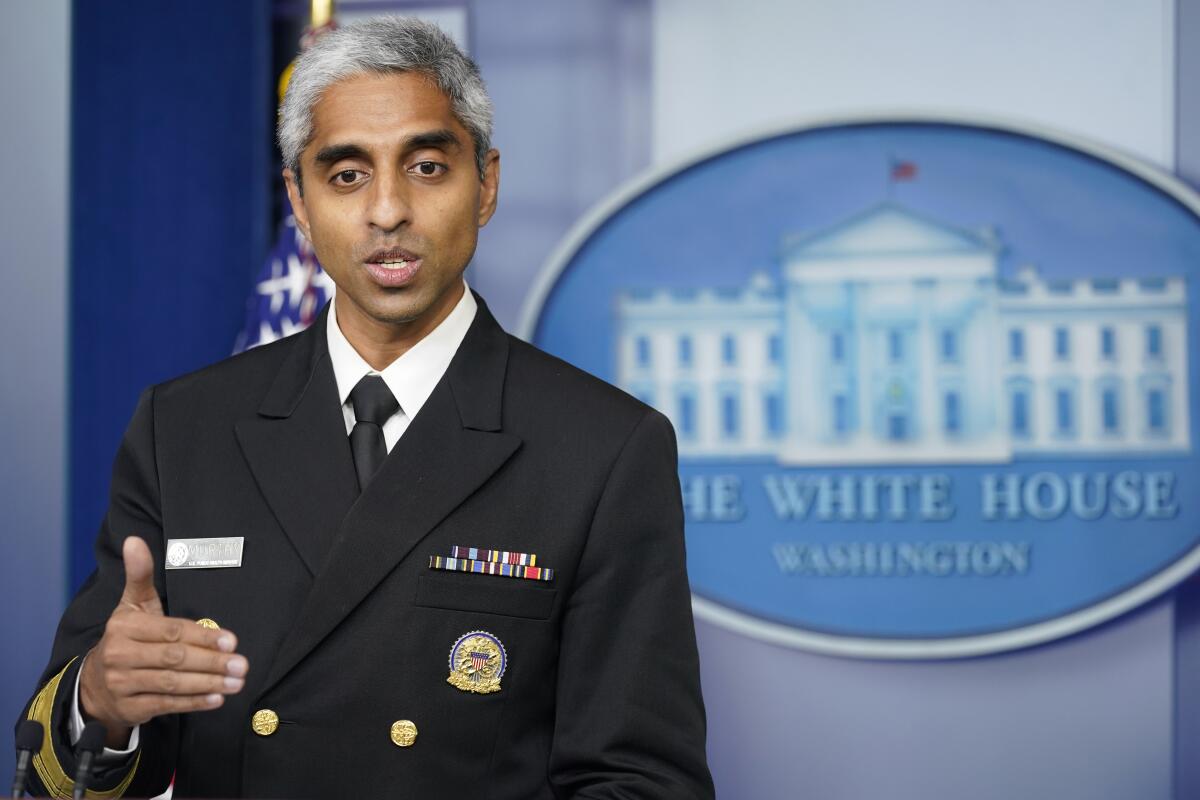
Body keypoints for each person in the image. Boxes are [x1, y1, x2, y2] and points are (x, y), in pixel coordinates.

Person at [18, 16, 713, 800]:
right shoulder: (184, 429)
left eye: (425, 166)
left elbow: (641, 782)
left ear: (485, 185)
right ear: (300, 201)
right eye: (346, 175)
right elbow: (61, 763)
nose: (387, 211)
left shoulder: (603, 449)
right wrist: (102, 705)